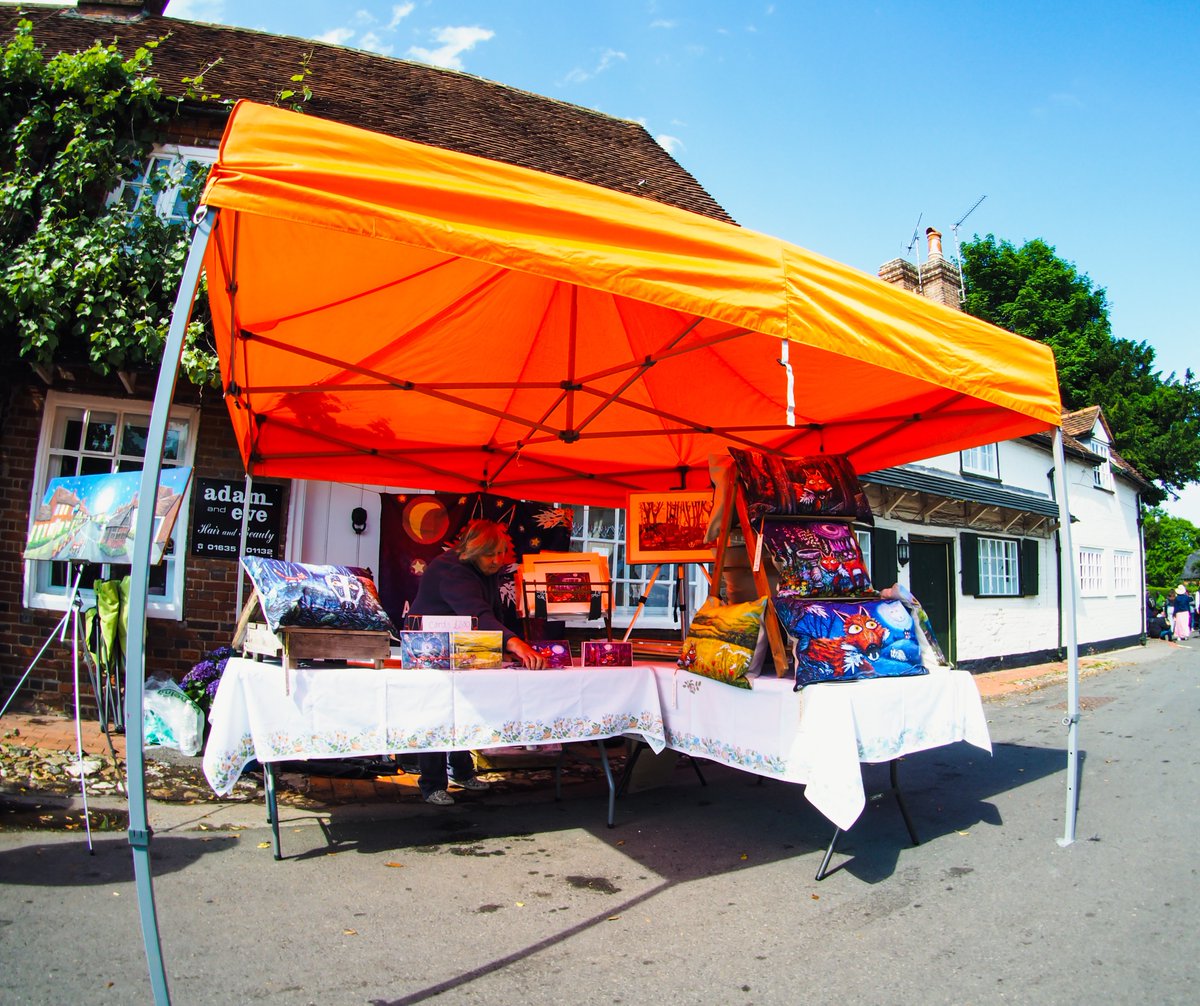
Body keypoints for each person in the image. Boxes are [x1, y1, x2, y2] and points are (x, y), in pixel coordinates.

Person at [407, 519, 546, 805]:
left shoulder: (484, 569)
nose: (497, 560)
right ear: (471, 550)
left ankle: (461, 770)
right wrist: (513, 643)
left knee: (462, 710)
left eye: (501, 553)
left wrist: (504, 645)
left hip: (461, 649)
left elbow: (491, 614)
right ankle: (431, 784)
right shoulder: (451, 569)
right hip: (431, 650)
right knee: (437, 713)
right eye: (490, 554)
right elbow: (478, 614)